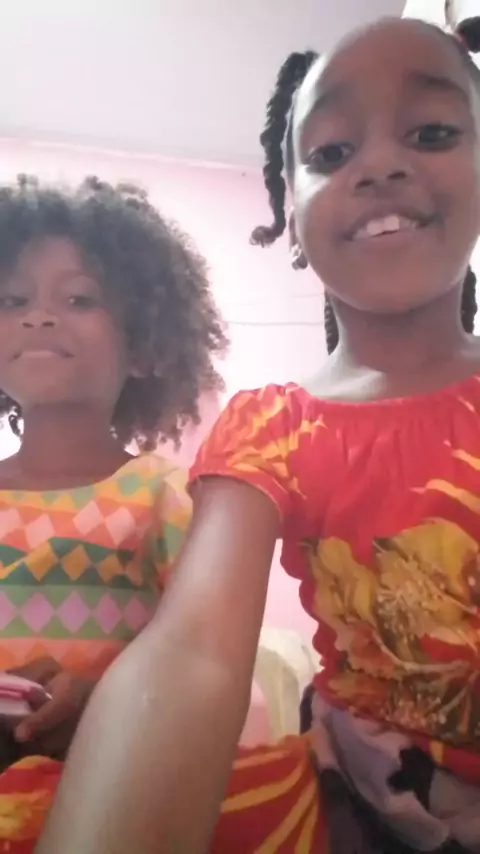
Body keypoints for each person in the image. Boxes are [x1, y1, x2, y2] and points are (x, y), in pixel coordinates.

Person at [35, 3, 480, 853]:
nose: (380, 164)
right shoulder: (273, 426)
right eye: (332, 153)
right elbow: (194, 649)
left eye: (430, 133)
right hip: (366, 804)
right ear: (292, 220)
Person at [0, 175, 226, 851]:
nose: (39, 317)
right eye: (13, 300)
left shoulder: (163, 494)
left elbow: (199, 660)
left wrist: (100, 698)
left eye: (79, 298)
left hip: (110, 787)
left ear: (146, 345)